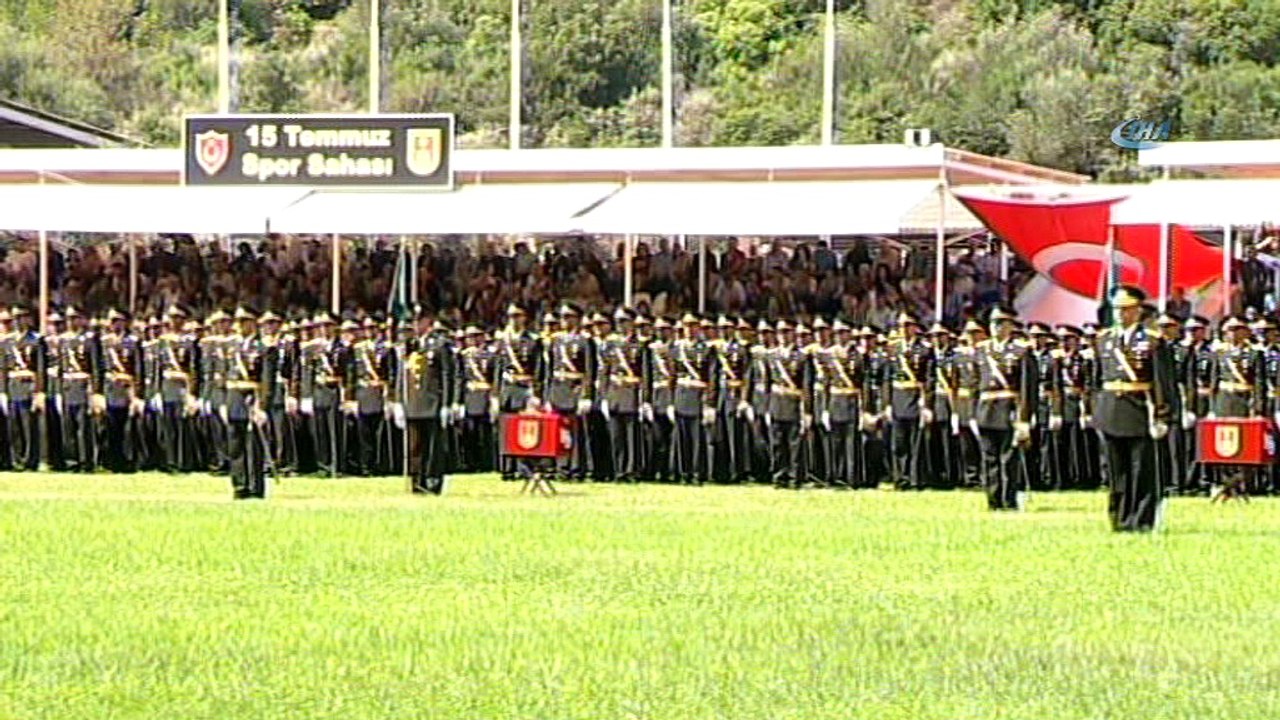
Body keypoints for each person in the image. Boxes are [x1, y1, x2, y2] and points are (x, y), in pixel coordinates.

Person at [1094, 286, 1172, 531]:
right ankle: (1119, 519)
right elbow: (1096, 380)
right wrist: (1095, 410)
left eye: (1126, 309)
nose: (1120, 314)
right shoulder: (1103, 339)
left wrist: (1162, 415)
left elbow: (1162, 381)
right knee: (1116, 471)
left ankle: (1141, 519)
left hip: (1139, 410)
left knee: (1141, 470)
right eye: (1117, 309)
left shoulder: (1152, 341)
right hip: (1111, 409)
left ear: (1137, 311)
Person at [973, 307, 1037, 511]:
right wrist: (973, 414)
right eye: (994, 323)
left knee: (1008, 459)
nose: (996, 327)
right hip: (986, 410)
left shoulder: (1021, 351)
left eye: (1001, 323)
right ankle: (993, 501)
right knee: (989, 458)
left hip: (1008, 410)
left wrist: (1024, 419)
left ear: (1010, 325)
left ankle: (1009, 500)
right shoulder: (981, 350)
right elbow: (974, 384)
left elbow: (1028, 388)